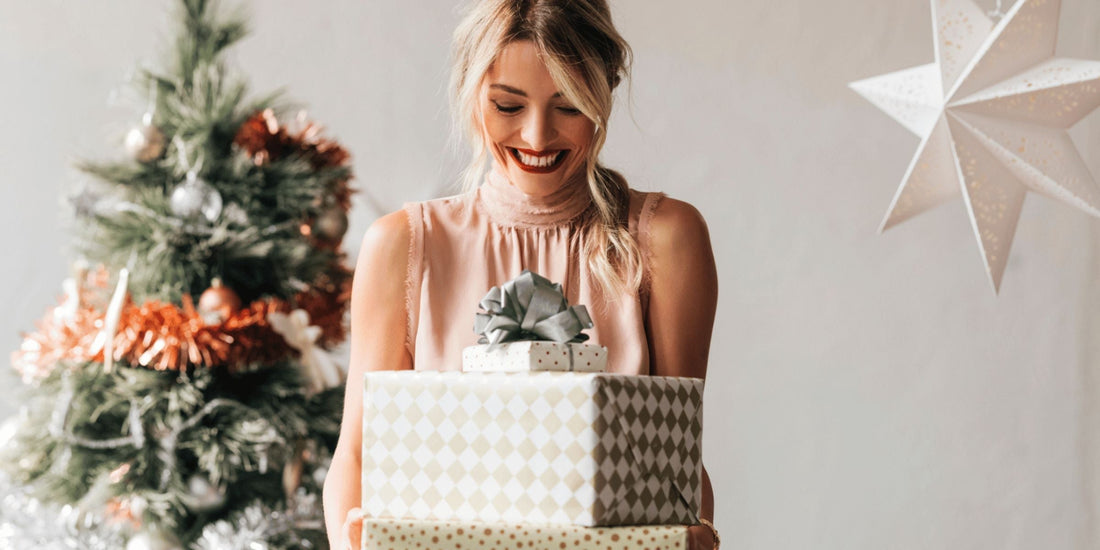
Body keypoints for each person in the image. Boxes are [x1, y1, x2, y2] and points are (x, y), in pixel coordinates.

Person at [323, 1, 719, 548]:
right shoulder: (403, 245)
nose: (536, 137)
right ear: (470, 92)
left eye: (569, 107)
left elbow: (677, 469)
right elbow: (358, 456)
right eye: (508, 105)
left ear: (605, 92)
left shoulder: (664, 238)